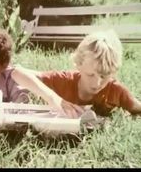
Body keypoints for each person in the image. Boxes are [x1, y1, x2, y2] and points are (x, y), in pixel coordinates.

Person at [11, 30, 141, 118]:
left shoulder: (116, 91)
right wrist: (56, 100)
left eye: (104, 76)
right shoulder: (65, 81)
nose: (97, 83)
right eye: (90, 75)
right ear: (79, 64)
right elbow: (17, 73)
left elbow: (137, 108)